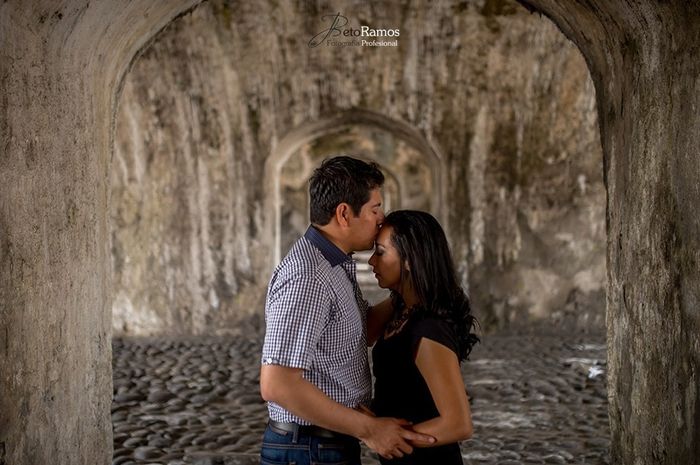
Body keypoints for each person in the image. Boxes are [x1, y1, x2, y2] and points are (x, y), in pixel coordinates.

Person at [259, 157, 434, 465]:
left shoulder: (335, 263)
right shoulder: (309, 275)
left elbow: (358, 330)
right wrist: (370, 430)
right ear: (343, 213)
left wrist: (408, 289)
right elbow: (277, 384)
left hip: (324, 445)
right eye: (374, 209)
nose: (381, 218)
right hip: (308, 449)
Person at [367, 210, 479, 464]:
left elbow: (459, 424)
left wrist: (383, 435)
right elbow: (364, 332)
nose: (372, 262)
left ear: (410, 260)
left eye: (381, 252)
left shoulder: (428, 330)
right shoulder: (401, 306)